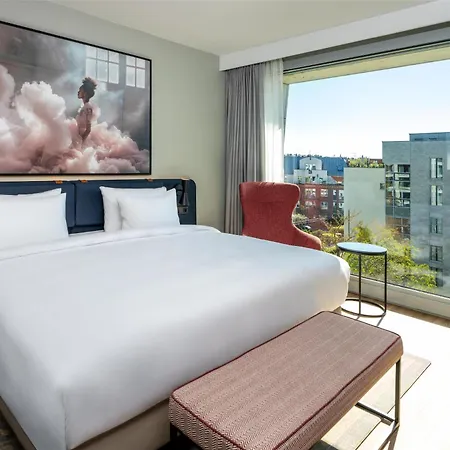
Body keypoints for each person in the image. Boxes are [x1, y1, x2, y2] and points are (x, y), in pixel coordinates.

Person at [76, 77, 97, 143]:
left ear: (85, 93)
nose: (78, 92)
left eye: (80, 90)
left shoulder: (88, 108)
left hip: (83, 140)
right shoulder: (84, 107)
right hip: (78, 136)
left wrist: (81, 141)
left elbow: (88, 129)